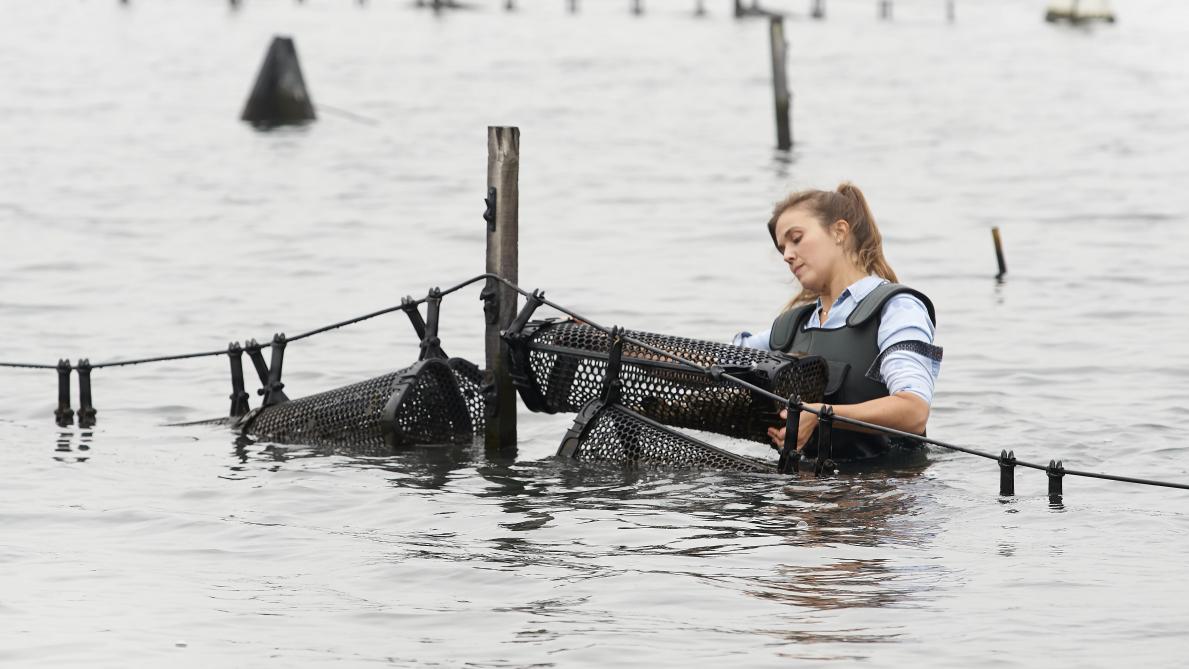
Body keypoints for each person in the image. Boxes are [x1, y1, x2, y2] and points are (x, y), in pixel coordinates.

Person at [733, 182, 942, 463]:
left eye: (796, 238)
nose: (787, 255)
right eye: (782, 247)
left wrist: (821, 415)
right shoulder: (790, 328)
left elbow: (914, 411)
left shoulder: (897, 308)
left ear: (839, 231)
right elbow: (727, 360)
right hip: (810, 494)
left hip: (887, 495)